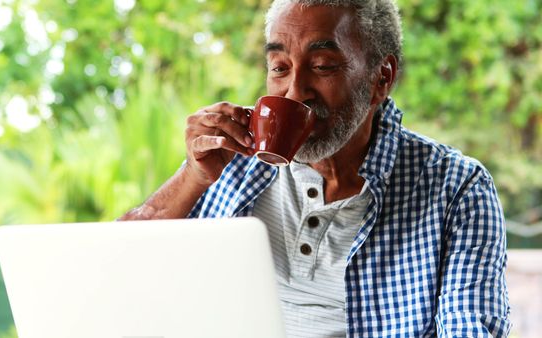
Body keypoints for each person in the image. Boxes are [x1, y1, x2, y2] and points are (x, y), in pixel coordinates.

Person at [120, 0, 512, 336]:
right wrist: (193, 177)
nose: (295, 91)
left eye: (322, 66)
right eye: (279, 67)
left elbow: (470, 327)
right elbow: (118, 272)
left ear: (381, 79)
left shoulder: (456, 188)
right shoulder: (232, 161)